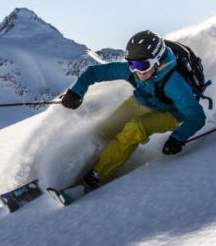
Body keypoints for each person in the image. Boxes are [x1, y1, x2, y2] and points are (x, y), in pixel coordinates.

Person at [60, 30, 206, 190]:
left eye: (142, 65)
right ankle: (79, 167)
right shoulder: (133, 72)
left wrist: (178, 138)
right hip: (142, 101)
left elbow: (197, 115)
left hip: (171, 112)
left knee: (135, 128)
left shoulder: (174, 84)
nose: (136, 70)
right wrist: (76, 92)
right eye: (132, 64)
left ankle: (96, 176)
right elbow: (94, 72)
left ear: (157, 61)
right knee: (104, 130)